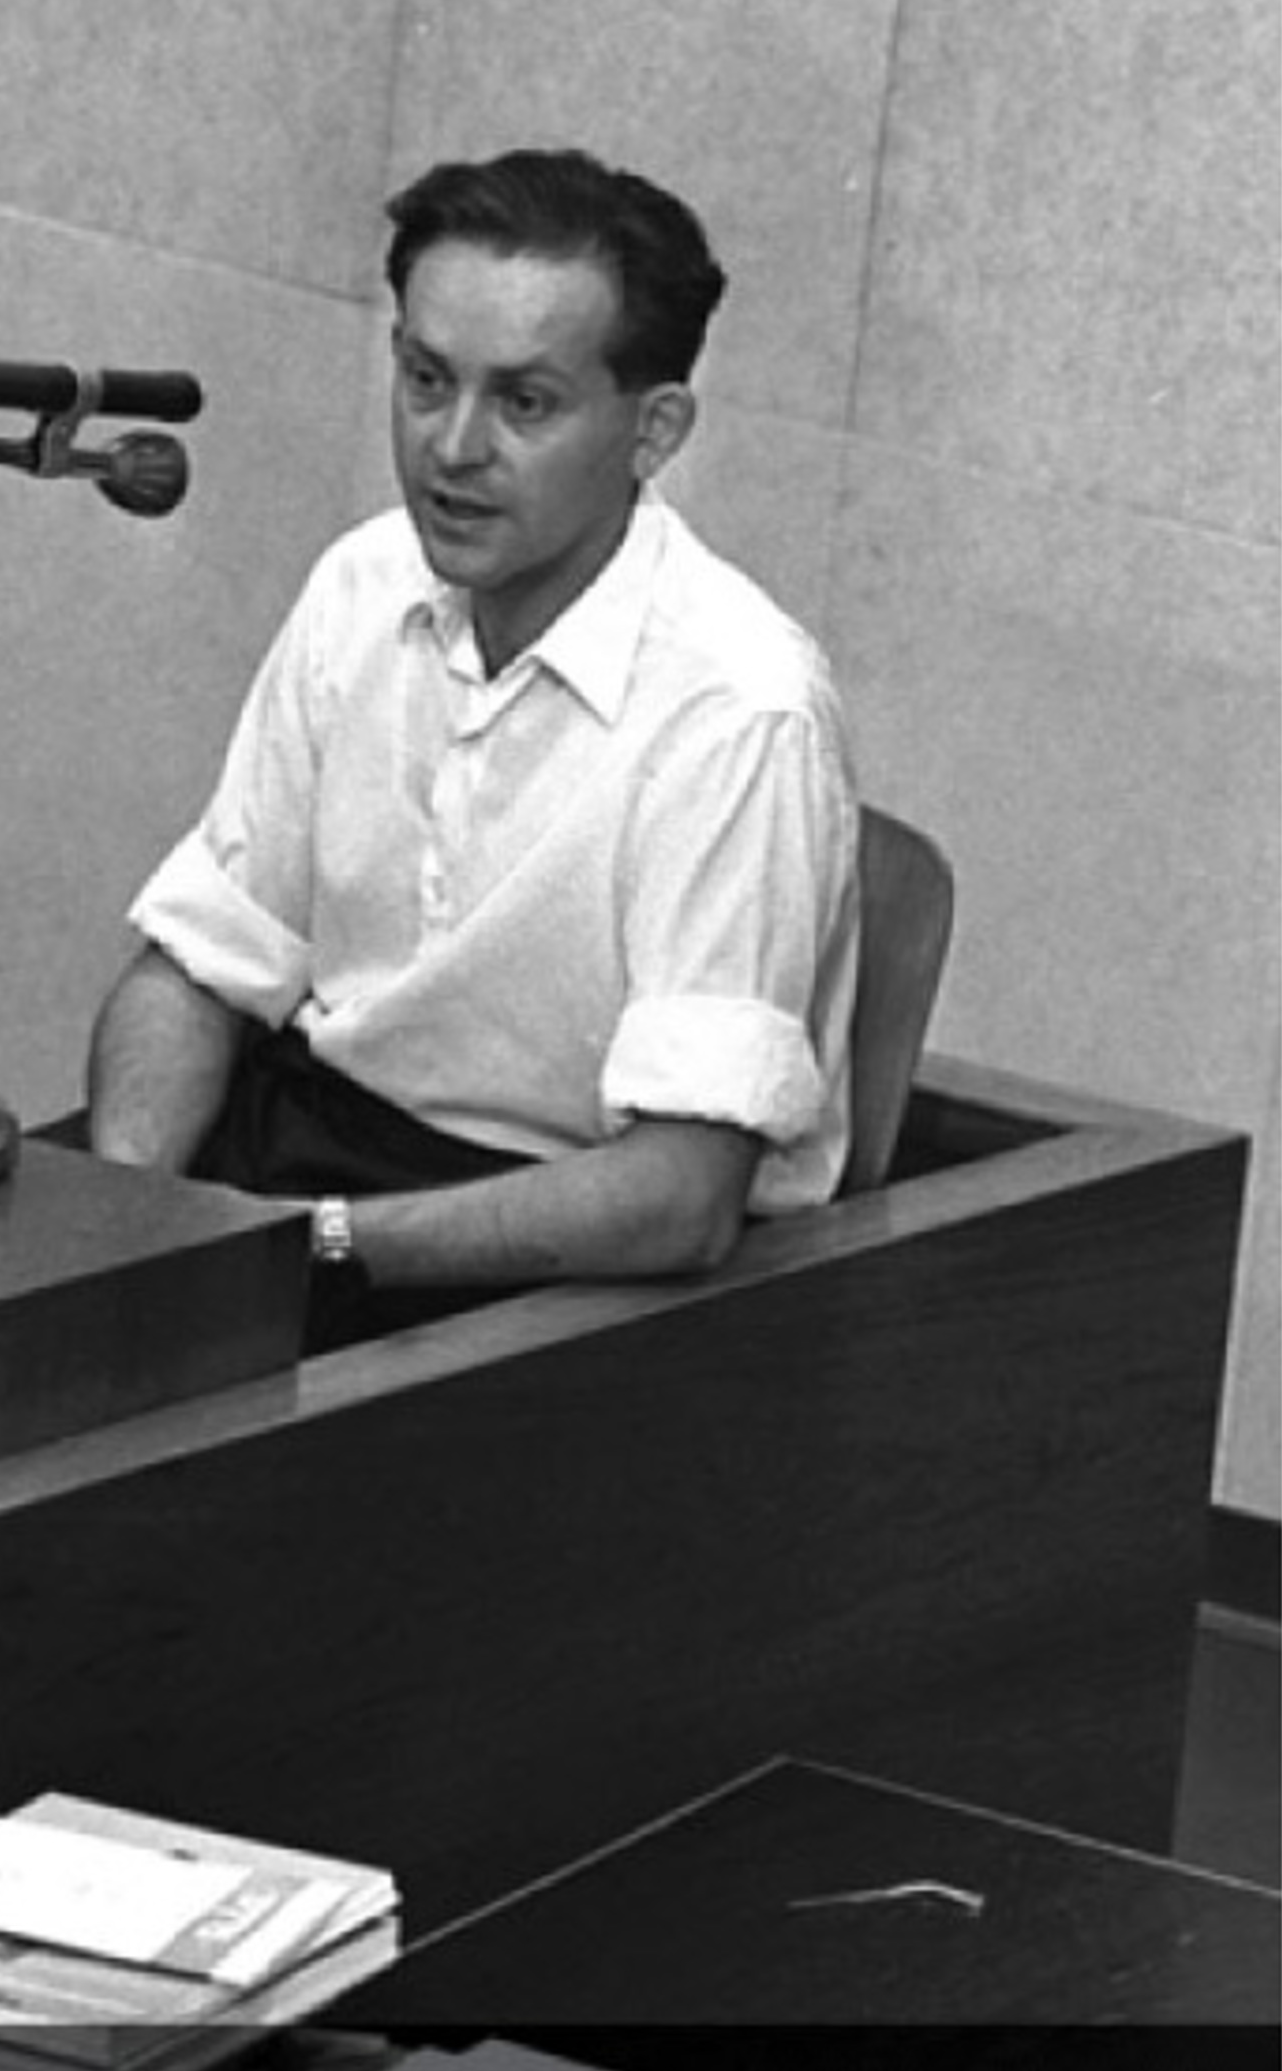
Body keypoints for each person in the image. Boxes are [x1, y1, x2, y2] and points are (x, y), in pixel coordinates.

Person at [85, 147, 859, 1347]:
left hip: (561, 1272)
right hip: (297, 1168)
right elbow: (200, 962)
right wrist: (122, 1224)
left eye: (524, 403)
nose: (452, 447)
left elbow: (679, 1198)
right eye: (425, 379)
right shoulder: (363, 582)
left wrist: (300, 1252)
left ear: (653, 429)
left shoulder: (738, 711)